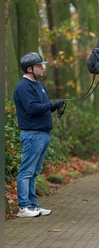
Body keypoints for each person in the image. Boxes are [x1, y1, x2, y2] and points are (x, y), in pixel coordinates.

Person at [13, 52, 65, 218]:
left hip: (42, 134)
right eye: (39, 66)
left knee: (34, 172)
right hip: (32, 134)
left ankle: (34, 205)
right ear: (30, 69)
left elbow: (41, 106)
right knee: (27, 172)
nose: (42, 68)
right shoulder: (24, 86)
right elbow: (32, 108)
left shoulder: (38, 85)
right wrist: (51, 105)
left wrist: (55, 106)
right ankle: (24, 207)